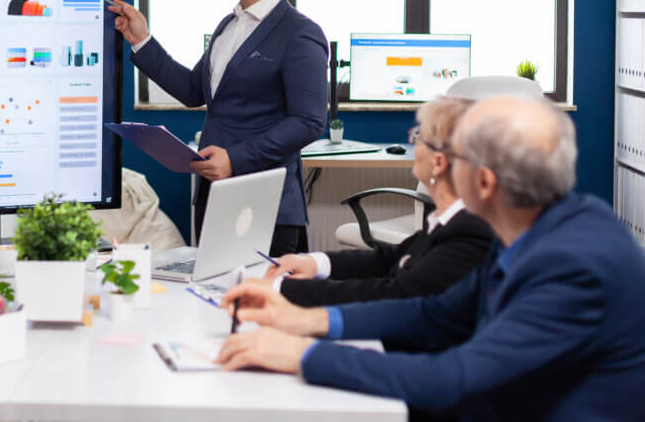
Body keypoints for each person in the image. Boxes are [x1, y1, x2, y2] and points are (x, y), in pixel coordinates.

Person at [216, 96, 645, 421]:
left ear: (483, 181)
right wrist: (302, 320)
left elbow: (452, 379)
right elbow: (435, 314)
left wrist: (301, 355)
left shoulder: (575, 266)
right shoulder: (527, 226)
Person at [109, 0, 328, 255]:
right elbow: (193, 90)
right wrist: (142, 39)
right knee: (213, 300)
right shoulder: (228, 25)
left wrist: (235, 159)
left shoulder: (300, 33)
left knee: (262, 303)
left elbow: (309, 121)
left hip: (265, 206)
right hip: (215, 195)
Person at [264, 96, 494, 306]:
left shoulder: (469, 233)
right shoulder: (446, 221)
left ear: (439, 163)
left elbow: (394, 294)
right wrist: (316, 263)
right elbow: (388, 259)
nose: (413, 145)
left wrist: (283, 289)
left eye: (419, 137)